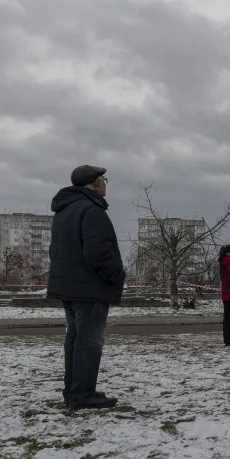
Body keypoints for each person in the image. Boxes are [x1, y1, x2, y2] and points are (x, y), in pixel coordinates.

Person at [48, 165, 125, 410]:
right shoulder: (92, 211)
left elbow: (56, 251)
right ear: (94, 184)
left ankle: (73, 392)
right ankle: (82, 395)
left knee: (74, 340)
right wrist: (117, 276)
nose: (105, 183)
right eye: (103, 179)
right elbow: (98, 253)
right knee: (89, 342)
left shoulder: (65, 210)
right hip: (90, 289)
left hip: (70, 287)